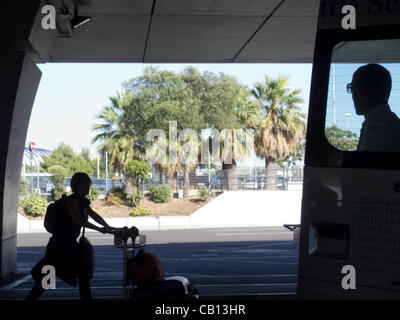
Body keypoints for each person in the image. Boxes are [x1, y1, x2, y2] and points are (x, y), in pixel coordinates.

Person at [26, 172, 116, 301]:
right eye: (87, 184)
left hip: (68, 246)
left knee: (81, 275)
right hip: (59, 247)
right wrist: (100, 229)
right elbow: (78, 219)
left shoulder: (82, 202)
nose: (89, 187)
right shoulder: (72, 201)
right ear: (78, 185)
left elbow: (95, 216)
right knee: (46, 282)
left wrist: (107, 227)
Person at [348, 63, 400, 152]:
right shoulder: (393, 122)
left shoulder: (375, 130)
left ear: (359, 92)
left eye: (351, 88)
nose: (352, 96)